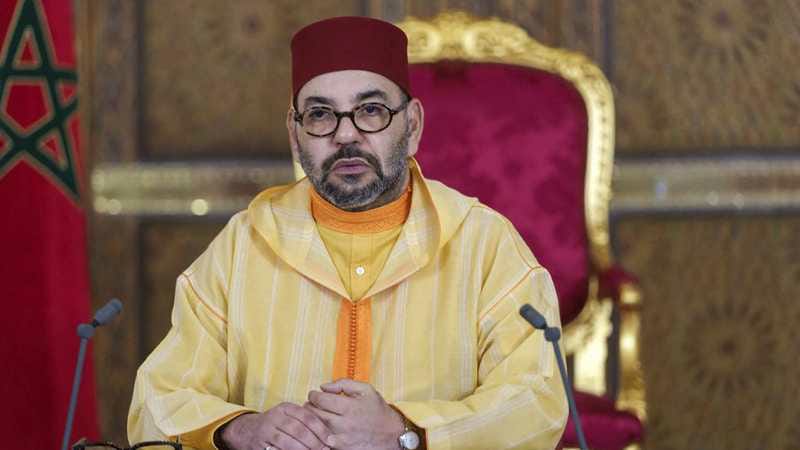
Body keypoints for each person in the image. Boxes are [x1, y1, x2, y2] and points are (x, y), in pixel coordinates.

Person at [128, 16, 567, 450]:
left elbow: (537, 401)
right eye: (320, 115)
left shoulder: (483, 244)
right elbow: (158, 398)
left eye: (371, 111)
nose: (345, 134)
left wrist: (406, 432)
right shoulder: (243, 245)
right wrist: (241, 429)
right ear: (295, 135)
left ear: (412, 125)